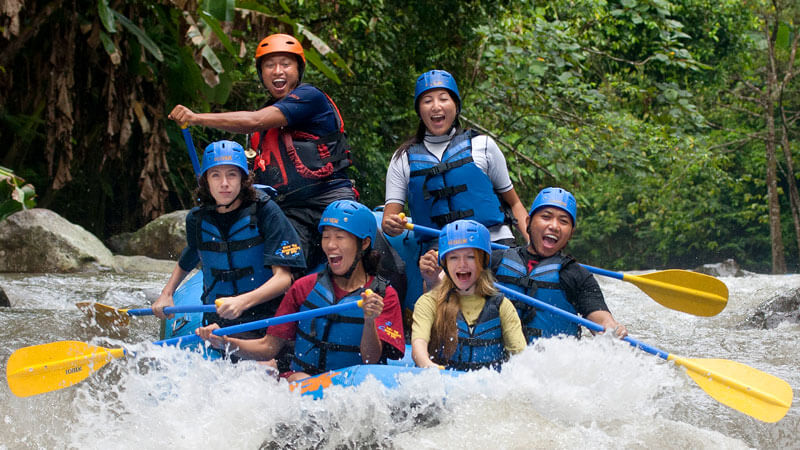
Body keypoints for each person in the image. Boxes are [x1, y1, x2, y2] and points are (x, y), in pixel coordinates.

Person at [168, 33, 356, 270]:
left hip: (329, 198)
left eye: (286, 64)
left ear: (299, 70)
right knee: (283, 263)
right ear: (261, 73)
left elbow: (255, 120)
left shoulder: (310, 98)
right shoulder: (262, 129)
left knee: (355, 252)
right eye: (269, 65)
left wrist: (196, 118)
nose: (278, 71)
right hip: (288, 210)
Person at [197, 200, 405, 381]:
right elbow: (269, 348)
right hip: (304, 384)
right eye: (326, 237)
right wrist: (224, 342)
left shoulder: (383, 295)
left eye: (340, 237)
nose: (330, 245)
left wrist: (369, 320)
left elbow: (370, 360)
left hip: (350, 391)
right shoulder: (304, 287)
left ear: (364, 243)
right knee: (297, 378)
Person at [380, 69, 529, 287]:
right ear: (419, 111)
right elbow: (389, 219)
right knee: (436, 288)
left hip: (494, 244)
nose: (436, 106)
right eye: (427, 101)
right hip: (441, 251)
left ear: (456, 106)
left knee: (514, 281)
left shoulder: (484, 146)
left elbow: (514, 203)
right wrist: (391, 224)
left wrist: (533, 247)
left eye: (443, 98)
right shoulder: (402, 158)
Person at [152, 140, 306, 340]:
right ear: (206, 180)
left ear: (243, 178)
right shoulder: (197, 219)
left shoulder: (265, 211)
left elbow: (284, 279)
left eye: (231, 175)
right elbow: (191, 255)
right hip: (217, 320)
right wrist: (167, 293)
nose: (224, 183)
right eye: (216, 175)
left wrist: (243, 302)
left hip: (265, 319)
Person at [492, 187, 628, 343]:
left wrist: (612, 328)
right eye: (546, 217)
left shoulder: (577, 276)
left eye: (563, 221)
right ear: (528, 223)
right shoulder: (494, 262)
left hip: (546, 364)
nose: (554, 226)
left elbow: (601, 318)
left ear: (571, 233)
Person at [411, 219, 526, 371]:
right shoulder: (429, 302)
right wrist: (430, 367)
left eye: (470, 257)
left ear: (483, 261)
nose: (462, 264)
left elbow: (521, 358)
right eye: (453, 258)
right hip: (444, 385)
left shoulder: (502, 306)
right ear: (444, 263)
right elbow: (418, 349)